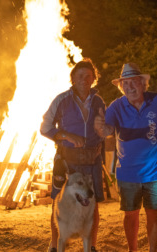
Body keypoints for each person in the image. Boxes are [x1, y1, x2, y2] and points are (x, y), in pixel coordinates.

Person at [94, 62, 157, 252]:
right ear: (121, 87)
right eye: (125, 83)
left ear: (143, 84)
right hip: (128, 174)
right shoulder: (116, 106)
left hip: (156, 171)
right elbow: (107, 130)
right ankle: (133, 250)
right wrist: (100, 127)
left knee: (154, 214)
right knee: (131, 215)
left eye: (133, 82)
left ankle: (152, 250)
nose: (130, 87)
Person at [40, 58, 105, 252]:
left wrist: (104, 131)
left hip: (92, 161)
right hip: (67, 162)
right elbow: (45, 127)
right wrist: (67, 135)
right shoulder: (61, 100)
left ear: (93, 79)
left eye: (88, 76)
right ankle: (54, 245)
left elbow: (106, 127)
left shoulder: (99, 101)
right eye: (80, 76)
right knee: (58, 203)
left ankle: (91, 246)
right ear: (73, 78)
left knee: (92, 205)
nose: (84, 80)